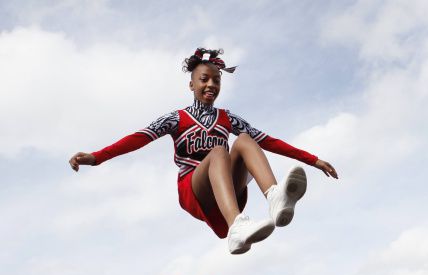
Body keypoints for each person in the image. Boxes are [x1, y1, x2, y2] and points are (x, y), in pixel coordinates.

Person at [69, 47, 338, 255]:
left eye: (216, 81)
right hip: (194, 189)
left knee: (244, 139)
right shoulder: (176, 119)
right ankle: (237, 226)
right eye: (204, 79)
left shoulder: (228, 118)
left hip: (227, 190)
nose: (211, 85)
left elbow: (268, 141)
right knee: (220, 151)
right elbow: (138, 138)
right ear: (192, 84)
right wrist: (97, 157)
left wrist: (313, 160)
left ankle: (275, 197)